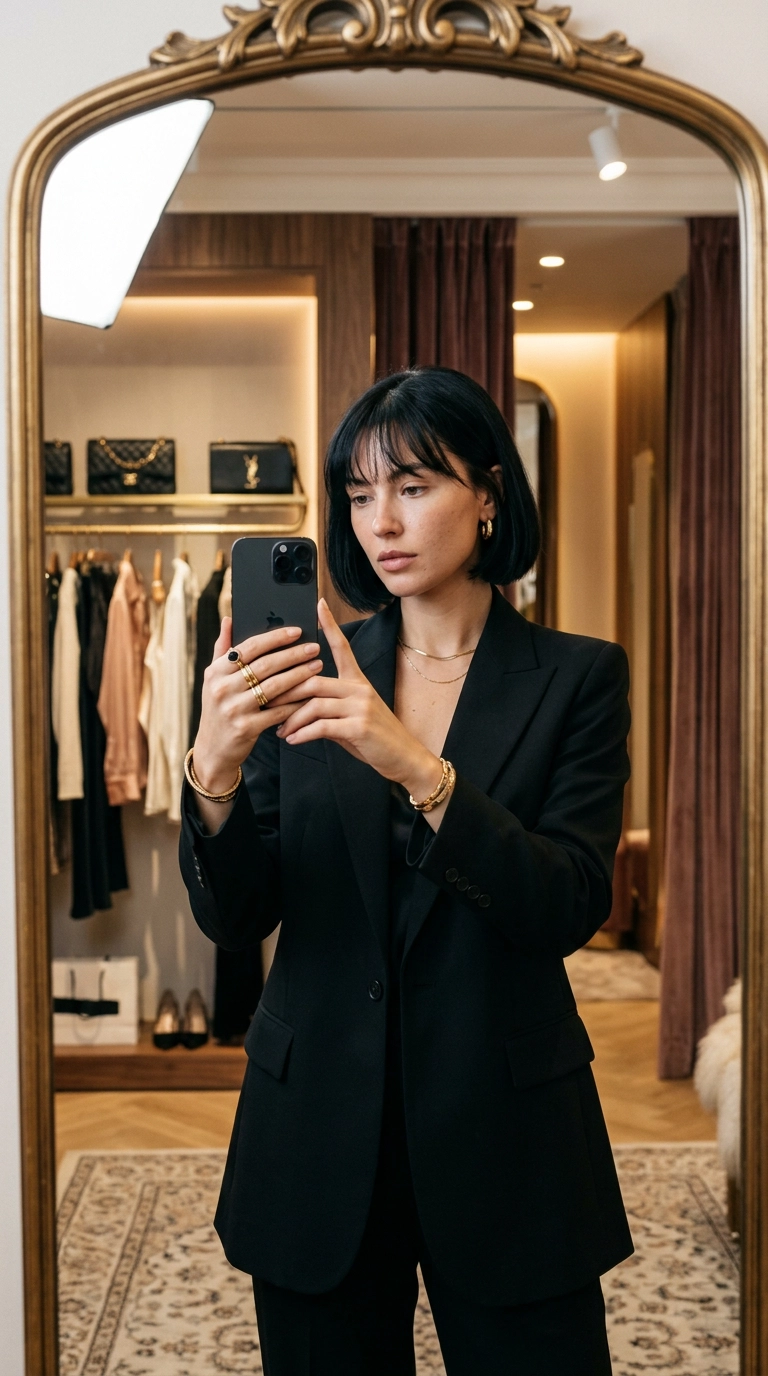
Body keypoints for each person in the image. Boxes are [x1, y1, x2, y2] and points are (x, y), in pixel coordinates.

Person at [180, 366, 633, 1375]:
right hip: (315, 1130)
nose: (380, 519)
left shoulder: (579, 678)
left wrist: (417, 768)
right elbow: (238, 912)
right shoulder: (304, 664)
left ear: (488, 491)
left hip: (508, 1127)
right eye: (358, 492)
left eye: (414, 485)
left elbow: (567, 903)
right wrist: (210, 768)